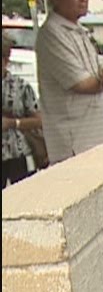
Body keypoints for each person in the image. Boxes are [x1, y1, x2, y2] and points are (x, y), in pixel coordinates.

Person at [35, 0, 103, 165]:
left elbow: (99, 67)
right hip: (75, 146)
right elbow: (81, 84)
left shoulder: (79, 31)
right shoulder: (52, 34)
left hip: (96, 139)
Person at [2, 32, 42, 186]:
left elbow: (39, 120)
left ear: (6, 60)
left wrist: (13, 123)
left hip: (18, 155)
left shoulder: (20, 86)